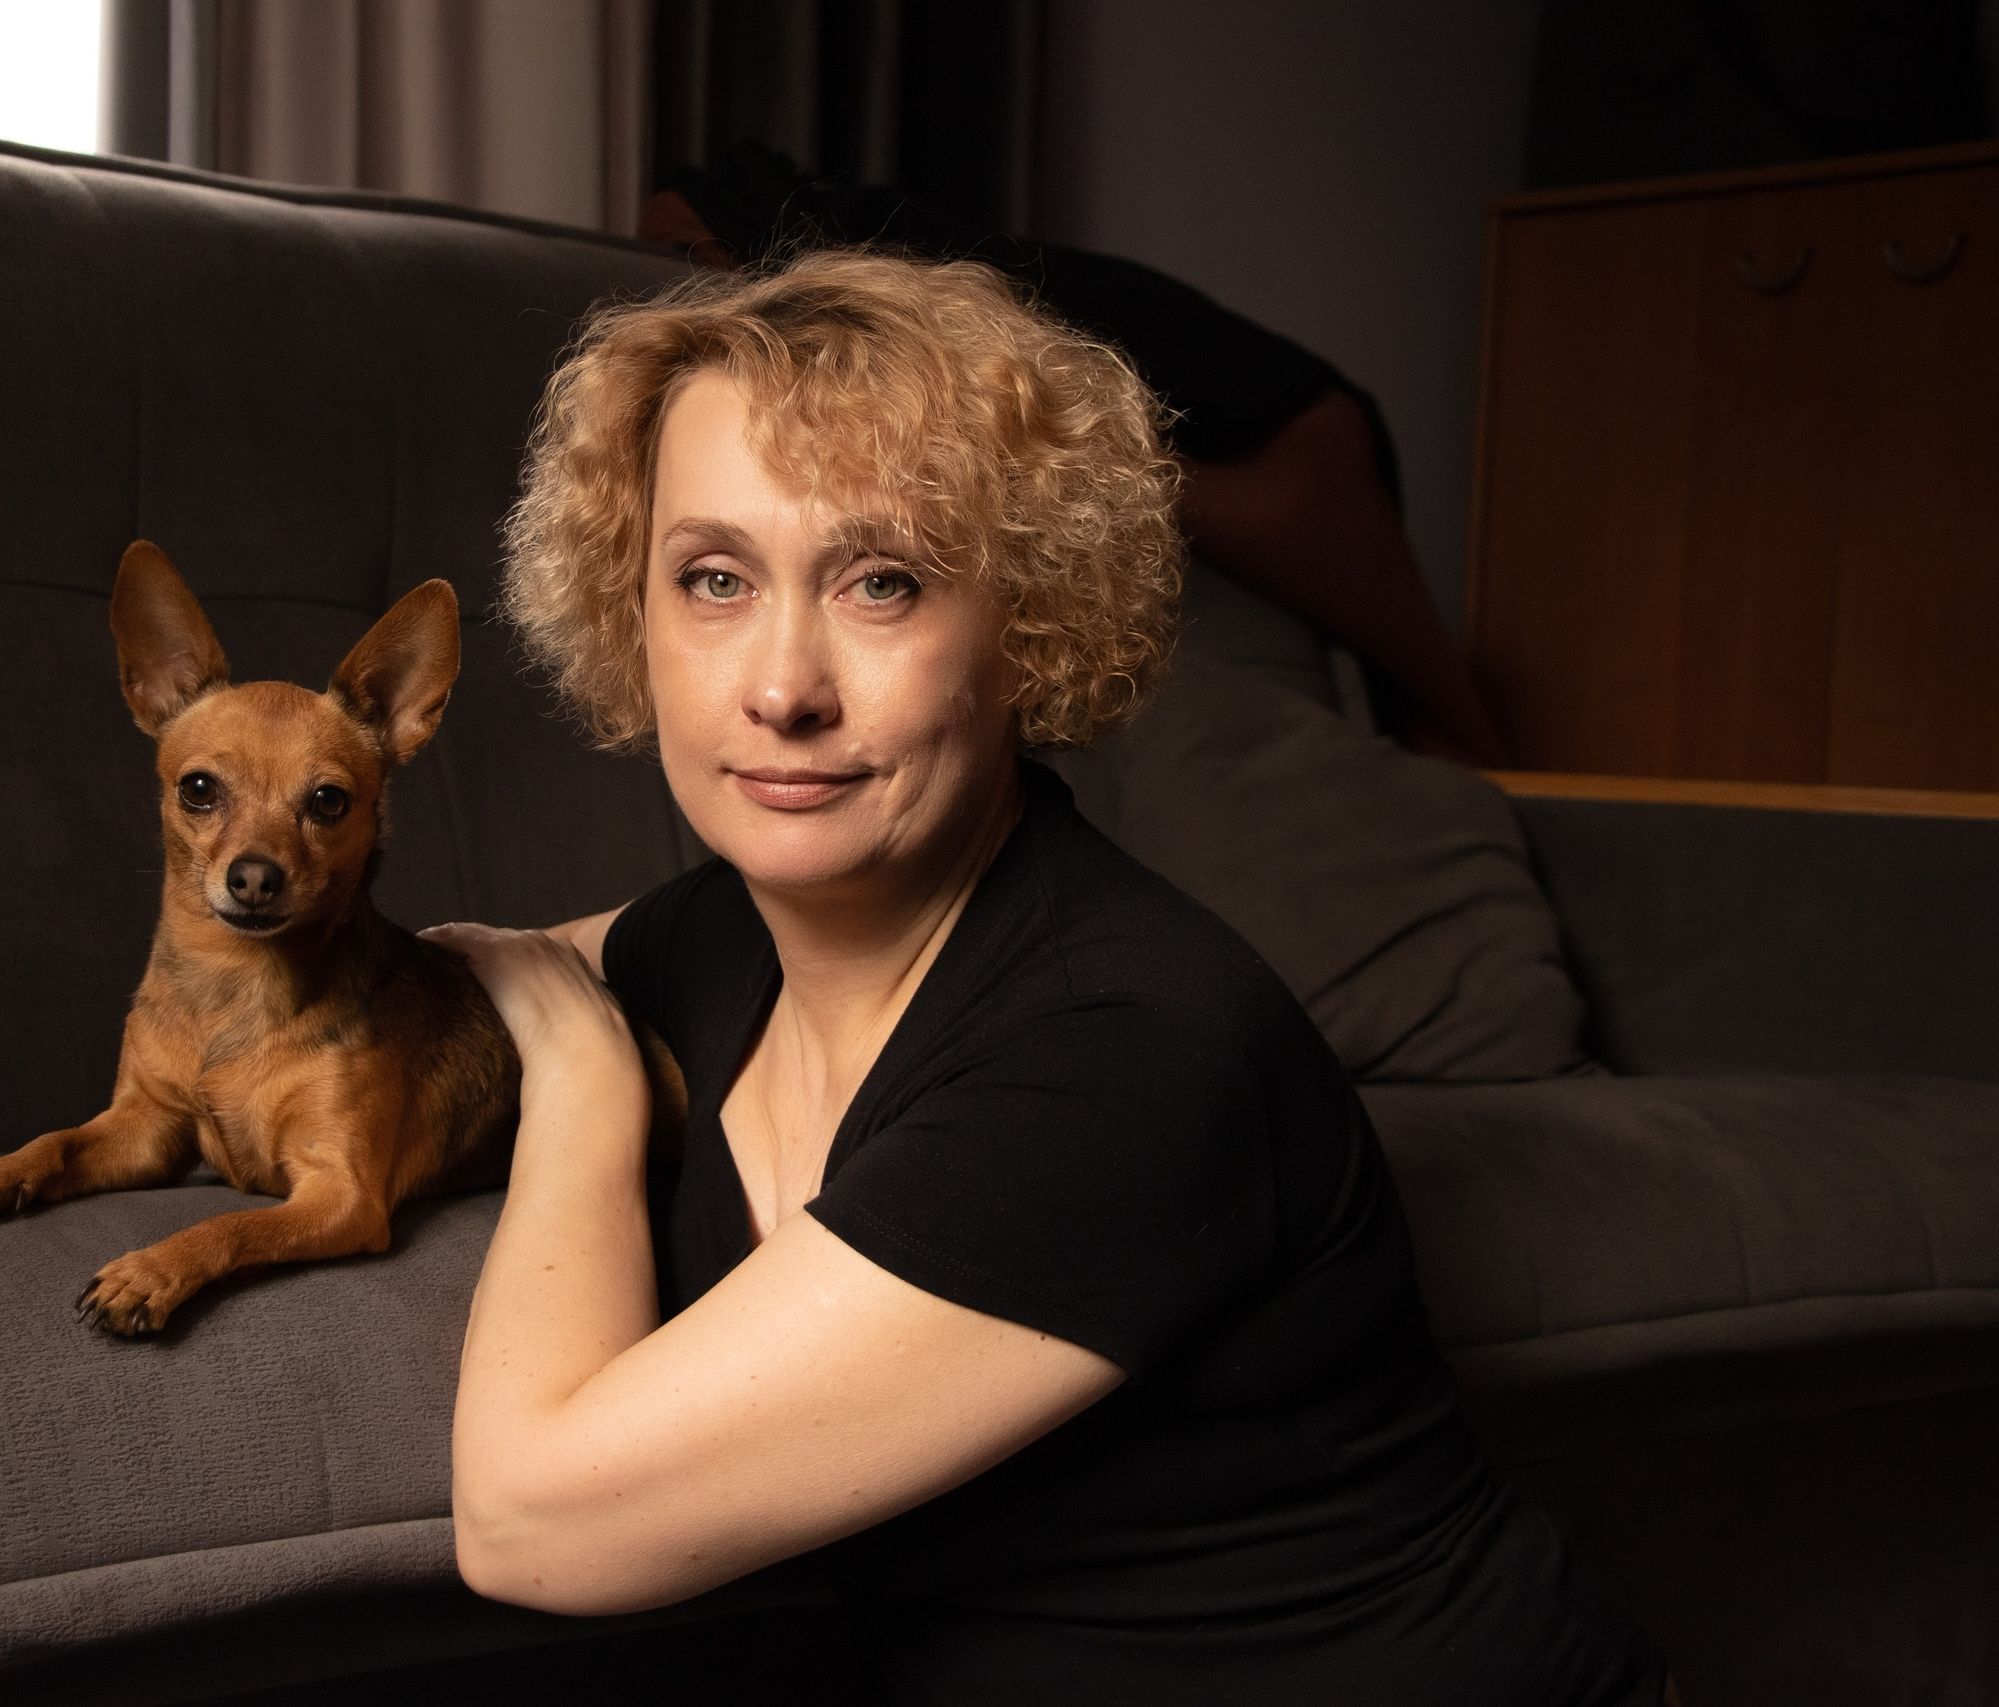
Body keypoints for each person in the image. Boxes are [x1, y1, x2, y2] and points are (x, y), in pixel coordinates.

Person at [423, 250, 1667, 1705]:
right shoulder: (719, 940)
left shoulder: (1123, 1051)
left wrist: (584, 1081)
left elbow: (533, 1526)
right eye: (714, 579)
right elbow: (487, 971)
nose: (780, 687)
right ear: (630, 612)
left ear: (1026, 622)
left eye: (882, 583)